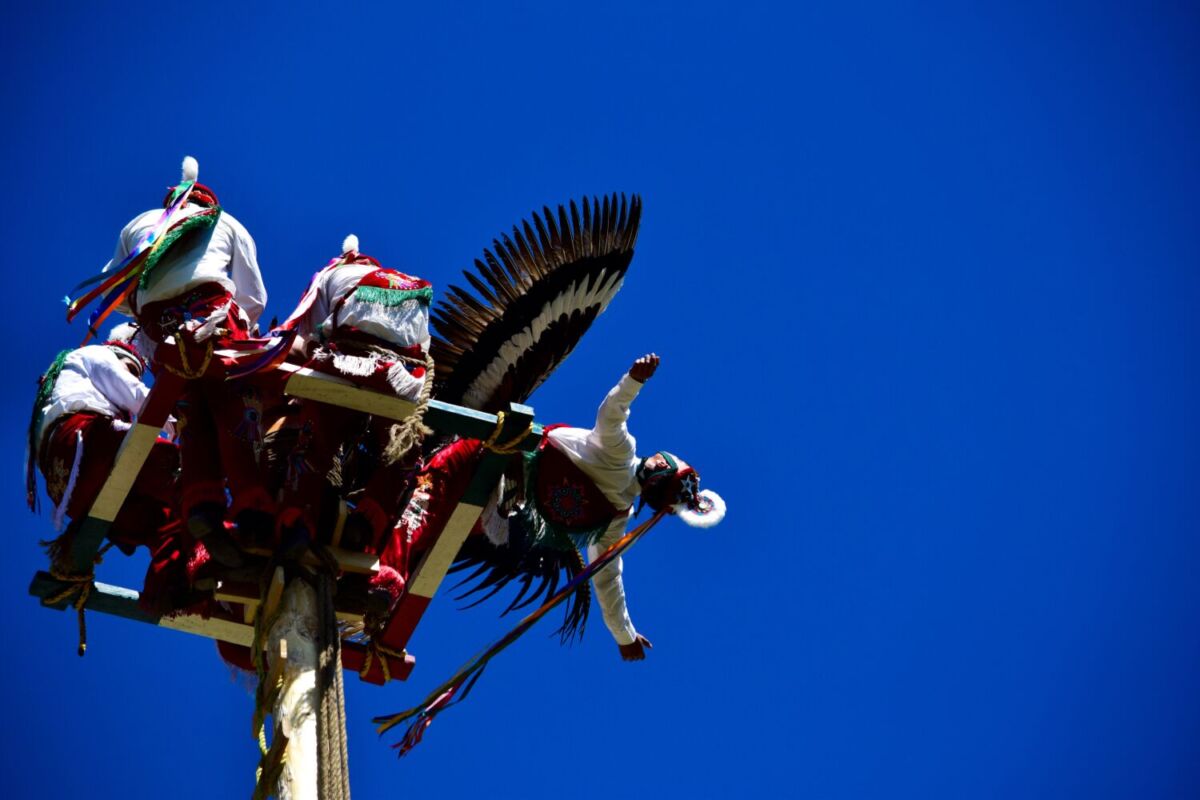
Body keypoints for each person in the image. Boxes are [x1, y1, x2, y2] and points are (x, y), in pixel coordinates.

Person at [386, 354, 726, 659]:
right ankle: (386, 587)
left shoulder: (619, 458)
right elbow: (607, 580)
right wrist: (624, 636)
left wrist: (633, 380)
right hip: (494, 509)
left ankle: (383, 574)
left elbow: (612, 413)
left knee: (419, 503)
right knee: (427, 531)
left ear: (658, 467)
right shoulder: (615, 519)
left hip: (485, 460)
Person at [98, 156, 270, 561]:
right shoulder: (226, 223)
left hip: (163, 333)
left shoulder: (139, 225)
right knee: (234, 406)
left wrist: (150, 307)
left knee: (191, 415)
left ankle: (203, 506)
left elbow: (113, 288)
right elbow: (254, 298)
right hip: (213, 319)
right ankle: (254, 508)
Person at [273, 235, 433, 553]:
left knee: (316, 443)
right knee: (399, 451)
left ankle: (298, 522)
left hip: (347, 362)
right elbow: (423, 349)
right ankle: (368, 521)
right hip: (402, 376)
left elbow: (305, 337)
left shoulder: (330, 276)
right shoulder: (409, 285)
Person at [26, 324, 179, 563]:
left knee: (164, 521)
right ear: (121, 352)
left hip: (73, 494)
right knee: (164, 456)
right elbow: (133, 391)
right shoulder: (94, 354)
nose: (134, 377)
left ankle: (172, 581)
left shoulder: (69, 383)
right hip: (83, 442)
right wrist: (177, 421)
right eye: (131, 369)